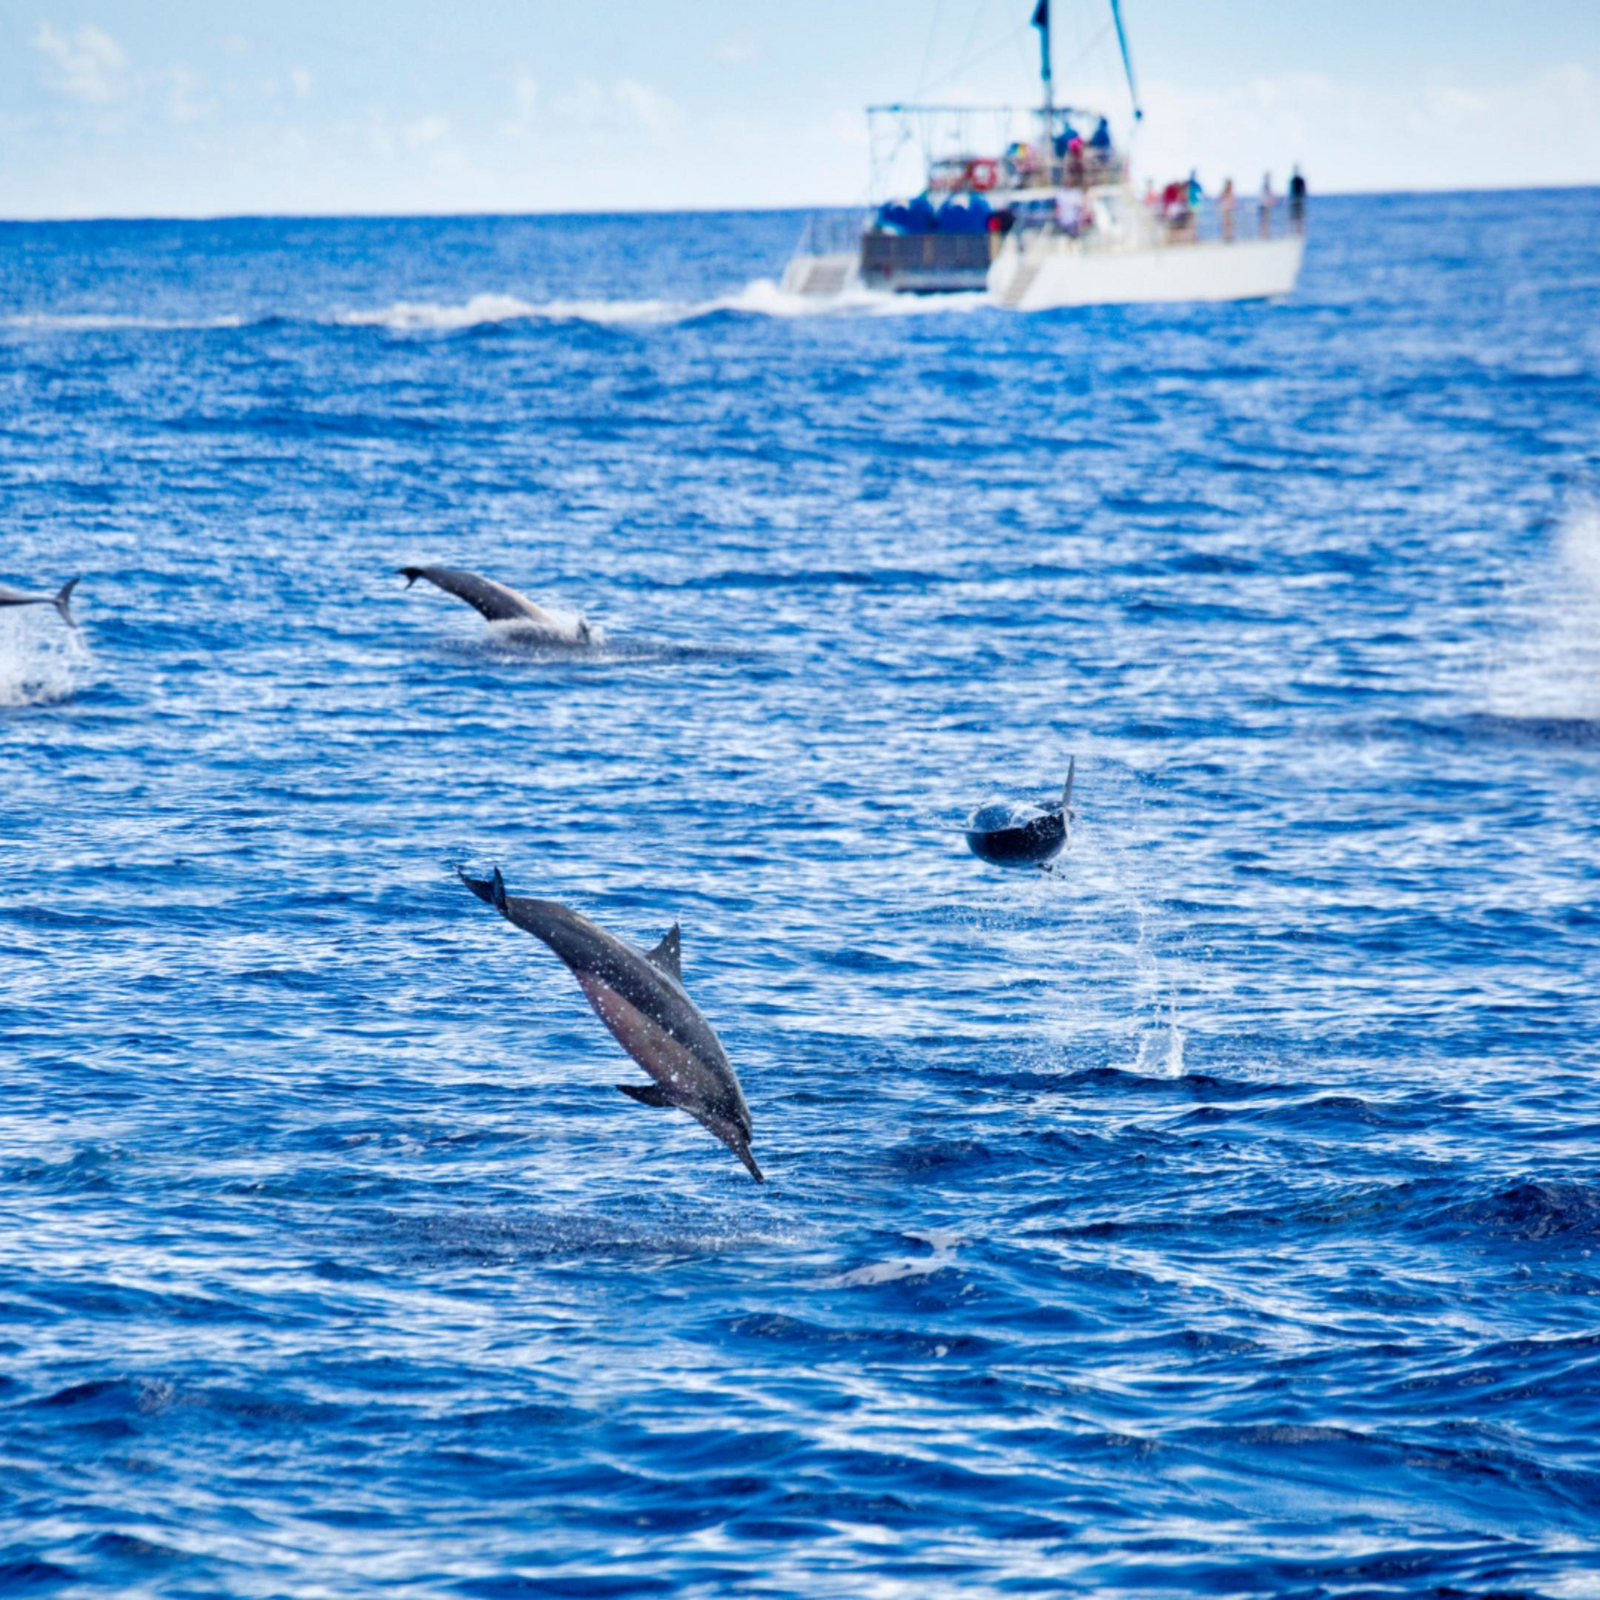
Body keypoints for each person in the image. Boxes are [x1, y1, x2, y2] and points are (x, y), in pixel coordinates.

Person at [1289, 165, 1307, 233]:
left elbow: (1303, 190)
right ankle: (1297, 231)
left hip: (1298, 201)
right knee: (1297, 218)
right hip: (1297, 201)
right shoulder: (1294, 180)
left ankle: (1298, 231)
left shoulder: (1296, 180)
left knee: (1299, 218)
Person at [1219, 177, 1236, 242]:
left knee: (1230, 224)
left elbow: (1233, 201)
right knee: (1226, 224)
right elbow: (1221, 200)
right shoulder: (1225, 192)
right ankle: (1226, 237)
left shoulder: (1230, 192)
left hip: (1230, 209)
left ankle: (1229, 237)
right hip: (1226, 209)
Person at [1259, 172, 1275, 237]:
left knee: (1264, 220)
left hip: (1264, 204)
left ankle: (1264, 234)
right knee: (1265, 220)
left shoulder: (1265, 185)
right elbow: (1267, 195)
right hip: (1265, 205)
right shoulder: (1266, 185)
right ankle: (1264, 234)